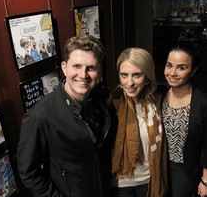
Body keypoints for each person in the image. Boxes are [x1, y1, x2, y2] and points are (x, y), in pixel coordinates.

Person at [17, 34, 111, 197]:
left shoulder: (99, 99)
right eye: (76, 66)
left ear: (99, 70)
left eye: (91, 68)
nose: (83, 75)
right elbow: (28, 173)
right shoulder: (39, 116)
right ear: (64, 67)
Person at [161, 40, 207, 197]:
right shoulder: (160, 95)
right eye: (169, 65)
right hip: (159, 164)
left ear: (193, 70)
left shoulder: (206, 105)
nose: (172, 73)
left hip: (185, 170)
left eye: (181, 67)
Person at [108, 47, 168, 197]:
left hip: (150, 180)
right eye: (124, 75)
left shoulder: (159, 101)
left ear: (147, 76)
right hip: (121, 182)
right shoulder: (111, 103)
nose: (130, 83)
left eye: (136, 75)